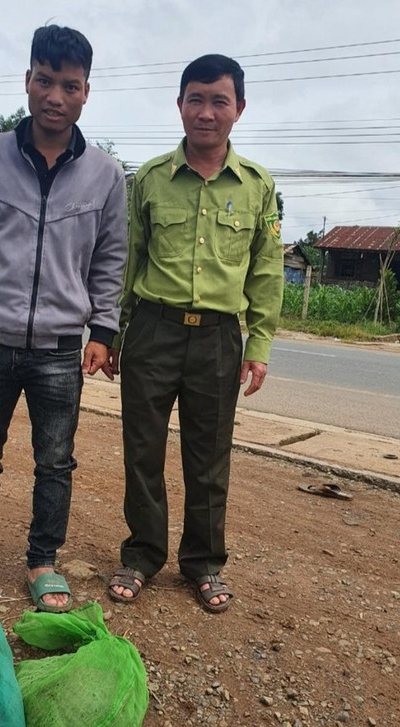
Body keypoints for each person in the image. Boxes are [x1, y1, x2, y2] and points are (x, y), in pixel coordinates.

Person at [0, 24, 127, 612]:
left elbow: (110, 259)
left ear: (86, 92)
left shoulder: (106, 174)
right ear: (27, 80)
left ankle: (43, 562)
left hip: (60, 350)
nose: (55, 96)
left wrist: (103, 330)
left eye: (69, 86)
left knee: (55, 462)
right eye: (45, 81)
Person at [108, 54, 283, 613]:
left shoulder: (258, 186)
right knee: (143, 450)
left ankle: (204, 563)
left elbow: (266, 269)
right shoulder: (149, 180)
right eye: (196, 100)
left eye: (219, 101)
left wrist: (258, 344)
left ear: (239, 109)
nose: (206, 112)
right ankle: (142, 555)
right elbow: (128, 260)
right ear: (180, 105)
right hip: (152, 331)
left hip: (218, 340)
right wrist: (112, 332)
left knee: (209, 458)